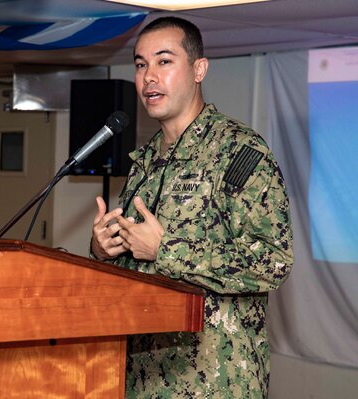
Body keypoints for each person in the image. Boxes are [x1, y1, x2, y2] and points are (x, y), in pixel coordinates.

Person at [90, 16, 293, 398]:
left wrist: (166, 250)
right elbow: (136, 265)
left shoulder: (239, 152)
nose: (149, 76)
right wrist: (105, 250)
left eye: (164, 61)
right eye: (140, 64)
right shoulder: (146, 161)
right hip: (141, 376)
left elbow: (272, 262)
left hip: (215, 380)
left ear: (199, 69)